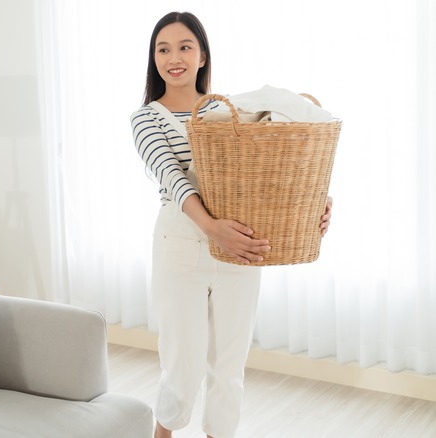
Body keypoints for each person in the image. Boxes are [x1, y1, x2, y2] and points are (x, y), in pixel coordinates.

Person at [129, 11, 333, 438]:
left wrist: (314, 202)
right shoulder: (146, 118)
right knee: (181, 363)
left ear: (202, 55)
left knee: (229, 365)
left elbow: (271, 170)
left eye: (185, 47)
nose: (174, 58)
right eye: (163, 49)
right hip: (182, 241)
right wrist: (212, 227)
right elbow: (173, 177)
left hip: (238, 245)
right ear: (154, 59)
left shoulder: (233, 112)